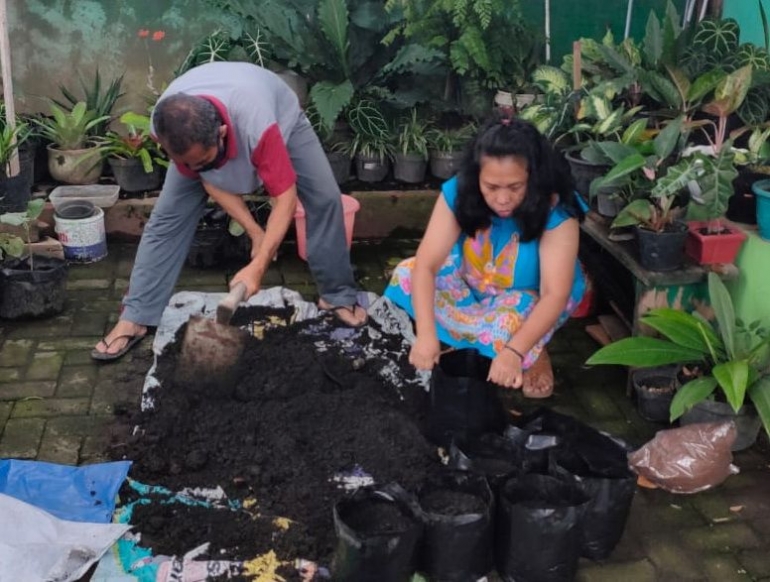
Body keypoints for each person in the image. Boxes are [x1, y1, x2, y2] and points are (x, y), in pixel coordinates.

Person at [92, 62, 367, 361]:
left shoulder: (258, 124)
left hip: (277, 113)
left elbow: (285, 199)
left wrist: (258, 266)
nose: (198, 168)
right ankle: (135, 316)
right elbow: (208, 180)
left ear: (221, 133)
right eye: (190, 163)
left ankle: (337, 296)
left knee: (325, 197)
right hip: (207, 127)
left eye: (205, 158)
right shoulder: (168, 127)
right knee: (166, 219)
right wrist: (255, 233)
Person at [384, 115, 585, 398]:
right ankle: (461, 341)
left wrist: (513, 352)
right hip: (474, 280)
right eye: (491, 187)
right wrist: (426, 336)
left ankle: (532, 349)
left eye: (515, 187)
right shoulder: (460, 190)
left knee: (511, 319)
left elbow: (554, 294)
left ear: (534, 177)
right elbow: (427, 265)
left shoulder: (556, 209)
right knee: (407, 273)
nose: (502, 199)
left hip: (529, 294)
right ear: (477, 177)